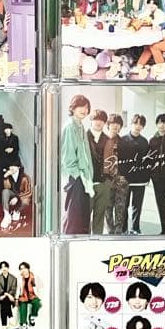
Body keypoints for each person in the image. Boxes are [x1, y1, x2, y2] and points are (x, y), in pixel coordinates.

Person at [61, 94, 93, 234]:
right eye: (80, 106)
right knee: (73, 218)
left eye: (86, 107)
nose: (84, 110)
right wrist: (77, 176)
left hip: (83, 177)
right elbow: (67, 157)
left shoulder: (80, 126)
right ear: (73, 108)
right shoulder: (70, 126)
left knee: (82, 217)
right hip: (75, 177)